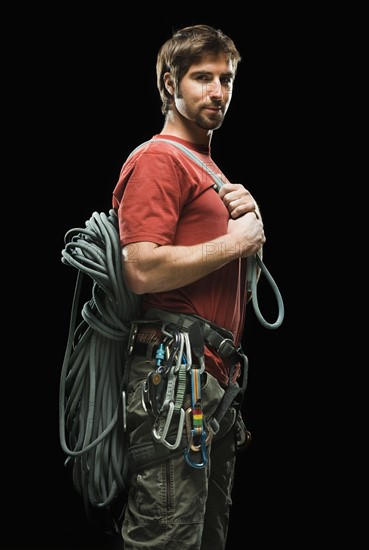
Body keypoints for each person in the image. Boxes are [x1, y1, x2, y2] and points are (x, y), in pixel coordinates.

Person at [111, 24, 265, 550]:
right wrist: (236, 244)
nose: (218, 91)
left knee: (202, 539)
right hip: (175, 376)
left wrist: (249, 236)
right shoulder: (159, 159)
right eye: (202, 77)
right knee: (167, 537)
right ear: (169, 82)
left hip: (210, 380)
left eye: (227, 78)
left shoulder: (210, 169)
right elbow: (143, 269)